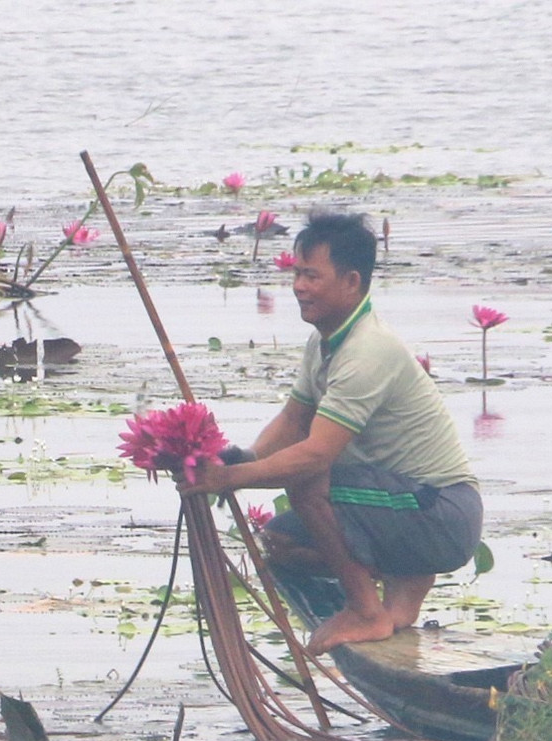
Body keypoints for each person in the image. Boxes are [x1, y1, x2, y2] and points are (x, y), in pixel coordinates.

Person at [180, 211, 481, 653]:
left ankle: (366, 609)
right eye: (297, 273)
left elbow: (314, 456)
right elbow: (293, 423)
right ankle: (401, 596)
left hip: (442, 514)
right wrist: (240, 459)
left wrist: (226, 481)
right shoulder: (327, 340)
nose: (299, 286)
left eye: (312, 276)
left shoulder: (367, 350)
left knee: (308, 478)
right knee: (283, 543)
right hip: (402, 503)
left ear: (352, 282)